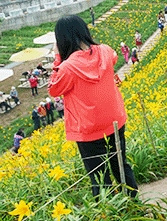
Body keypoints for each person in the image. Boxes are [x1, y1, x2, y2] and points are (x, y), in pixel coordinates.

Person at [48, 15, 138, 198]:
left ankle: (109, 218)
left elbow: (54, 89)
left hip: (88, 130)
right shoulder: (105, 51)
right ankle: (134, 204)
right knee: (121, 165)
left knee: (99, 176)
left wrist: (57, 57)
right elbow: (113, 58)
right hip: (114, 120)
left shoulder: (67, 68)